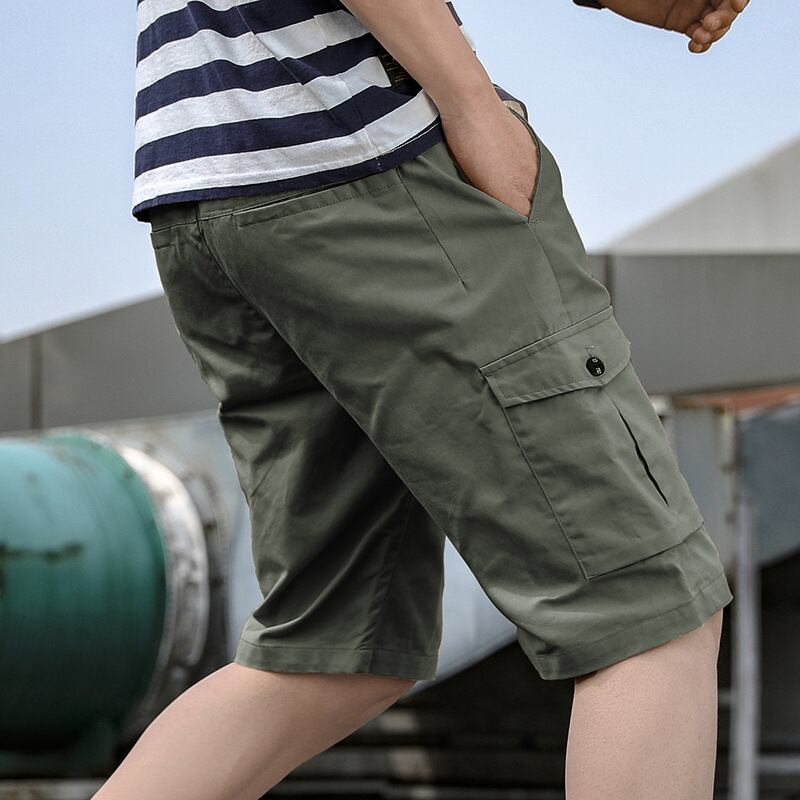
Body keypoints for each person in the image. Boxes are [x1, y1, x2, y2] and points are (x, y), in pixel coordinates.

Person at [97, 1, 748, 797]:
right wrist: (473, 107)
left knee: (334, 648)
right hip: (358, 157)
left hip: (205, 186)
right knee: (649, 606)